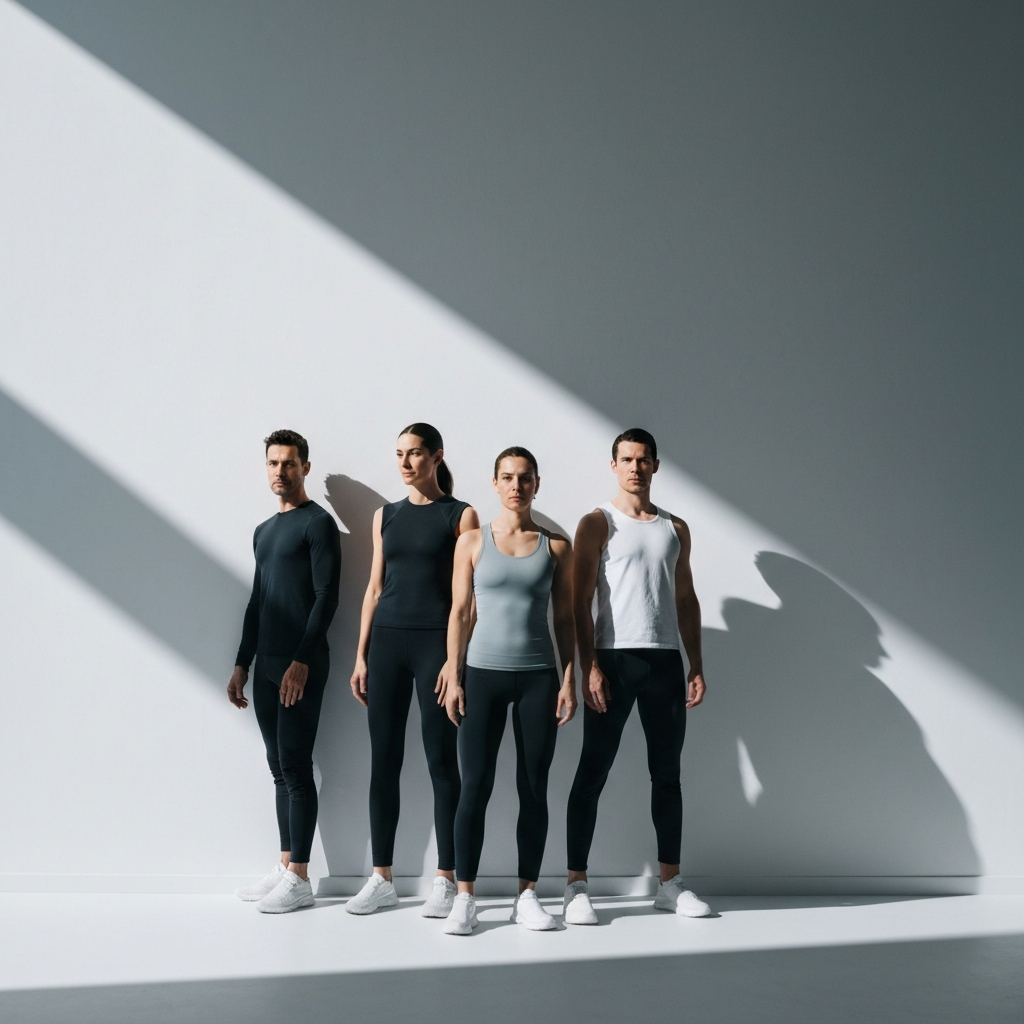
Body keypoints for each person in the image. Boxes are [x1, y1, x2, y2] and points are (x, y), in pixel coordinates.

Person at [562, 428, 711, 925]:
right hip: (614, 659)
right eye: (626, 459)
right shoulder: (597, 523)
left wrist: (697, 663)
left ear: (655, 465)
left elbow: (685, 599)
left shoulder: (676, 527)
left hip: (665, 662)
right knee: (591, 774)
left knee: (667, 777)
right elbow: (579, 600)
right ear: (614, 465)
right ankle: (575, 886)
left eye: (643, 460)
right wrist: (591, 667)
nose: (635, 468)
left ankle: (670, 884)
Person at [438, 447, 577, 935]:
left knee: (533, 788)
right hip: (482, 674)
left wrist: (568, 679)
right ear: (495, 484)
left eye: (524, 478)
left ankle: (527, 894)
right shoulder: (472, 542)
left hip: (539, 676)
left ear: (537, 484)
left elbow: (565, 618)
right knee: (473, 786)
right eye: (507, 477)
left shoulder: (557, 546)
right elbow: (459, 613)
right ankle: (465, 897)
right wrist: (454, 675)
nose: (515, 485)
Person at [346, 424, 479, 916]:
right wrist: (361, 654)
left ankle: (446, 877)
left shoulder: (460, 515)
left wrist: (455, 661)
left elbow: (468, 599)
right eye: (399, 454)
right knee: (384, 761)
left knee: (442, 762)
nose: (405, 463)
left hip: (434, 650)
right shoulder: (385, 516)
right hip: (386, 646)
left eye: (415, 453)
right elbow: (374, 589)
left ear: (436, 456)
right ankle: (382, 877)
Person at [229, 430, 342, 914]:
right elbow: (257, 601)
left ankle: (301, 877)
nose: (281, 471)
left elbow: (326, 597)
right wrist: (241, 662)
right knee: (279, 770)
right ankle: (285, 863)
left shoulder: (319, 525)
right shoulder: (263, 530)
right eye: (273, 463)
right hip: (268, 663)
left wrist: (300, 660)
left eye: (290, 464)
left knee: (296, 769)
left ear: (305, 468)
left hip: (302, 664)